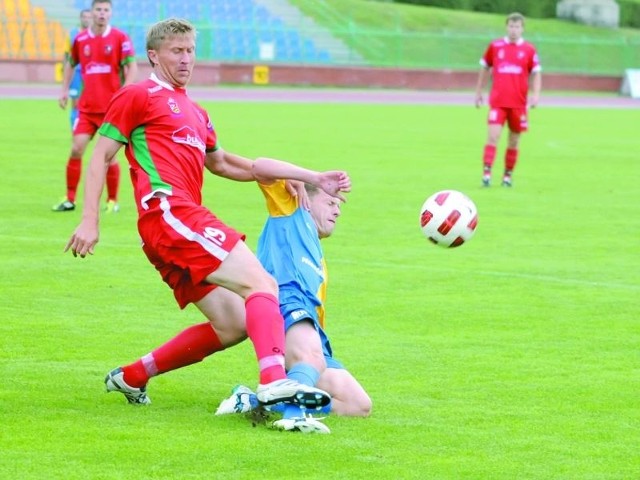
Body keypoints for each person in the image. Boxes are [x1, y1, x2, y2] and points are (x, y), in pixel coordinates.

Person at [64, 18, 352, 415]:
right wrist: (90, 219)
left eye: (190, 51)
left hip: (174, 226)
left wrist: (292, 175)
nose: (186, 59)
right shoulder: (139, 95)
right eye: (176, 51)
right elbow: (101, 154)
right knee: (262, 284)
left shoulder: (197, 112)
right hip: (169, 212)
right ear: (154, 55)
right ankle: (273, 384)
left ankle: (132, 375)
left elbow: (224, 163)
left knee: (233, 324)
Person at [106, 178, 372, 434]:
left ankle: (255, 401)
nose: (337, 209)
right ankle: (294, 416)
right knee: (308, 357)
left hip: (310, 332)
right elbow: (264, 169)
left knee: (357, 405)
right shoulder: (290, 210)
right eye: (330, 201)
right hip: (286, 304)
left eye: (339, 205)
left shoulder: (319, 260)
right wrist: (304, 178)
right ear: (306, 199)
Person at [54, 0, 137, 212]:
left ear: (111, 13)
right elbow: (70, 64)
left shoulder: (120, 38)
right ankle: (70, 199)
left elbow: (132, 68)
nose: (102, 13)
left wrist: (125, 93)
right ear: (91, 12)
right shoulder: (81, 39)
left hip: (111, 109)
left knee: (110, 156)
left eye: (106, 10)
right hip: (87, 108)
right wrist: (64, 90)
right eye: (98, 9)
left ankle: (112, 201)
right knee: (76, 149)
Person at [474, 12, 542, 187]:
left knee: (514, 140)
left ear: (522, 29)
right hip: (498, 102)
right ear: (507, 27)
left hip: (518, 104)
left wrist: (536, 94)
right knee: (493, 136)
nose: (513, 30)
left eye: (517, 26)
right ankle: (486, 174)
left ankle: (507, 177)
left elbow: (536, 73)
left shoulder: (529, 49)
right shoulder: (495, 46)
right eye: (511, 26)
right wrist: (479, 91)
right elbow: (484, 68)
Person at [65, 8, 92, 129]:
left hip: (91, 74)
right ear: (80, 18)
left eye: (88, 17)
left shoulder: (95, 34)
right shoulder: (72, 34)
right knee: (75, 103)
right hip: (76, 73)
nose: (86, 19)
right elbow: (67, 55)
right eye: (84, 17)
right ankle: (74, 128)